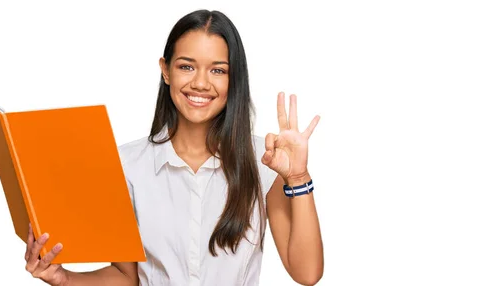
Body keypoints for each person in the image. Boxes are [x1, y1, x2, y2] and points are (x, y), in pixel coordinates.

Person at [22, 9, 324, 286]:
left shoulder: (263, 162)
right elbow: (126, 277)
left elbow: (307, 273)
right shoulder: (127, 165)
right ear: (166, 71)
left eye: (217, 70)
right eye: (187, 66)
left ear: (234, 79)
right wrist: (64, 279)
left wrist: (297, 178)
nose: (201, 83)